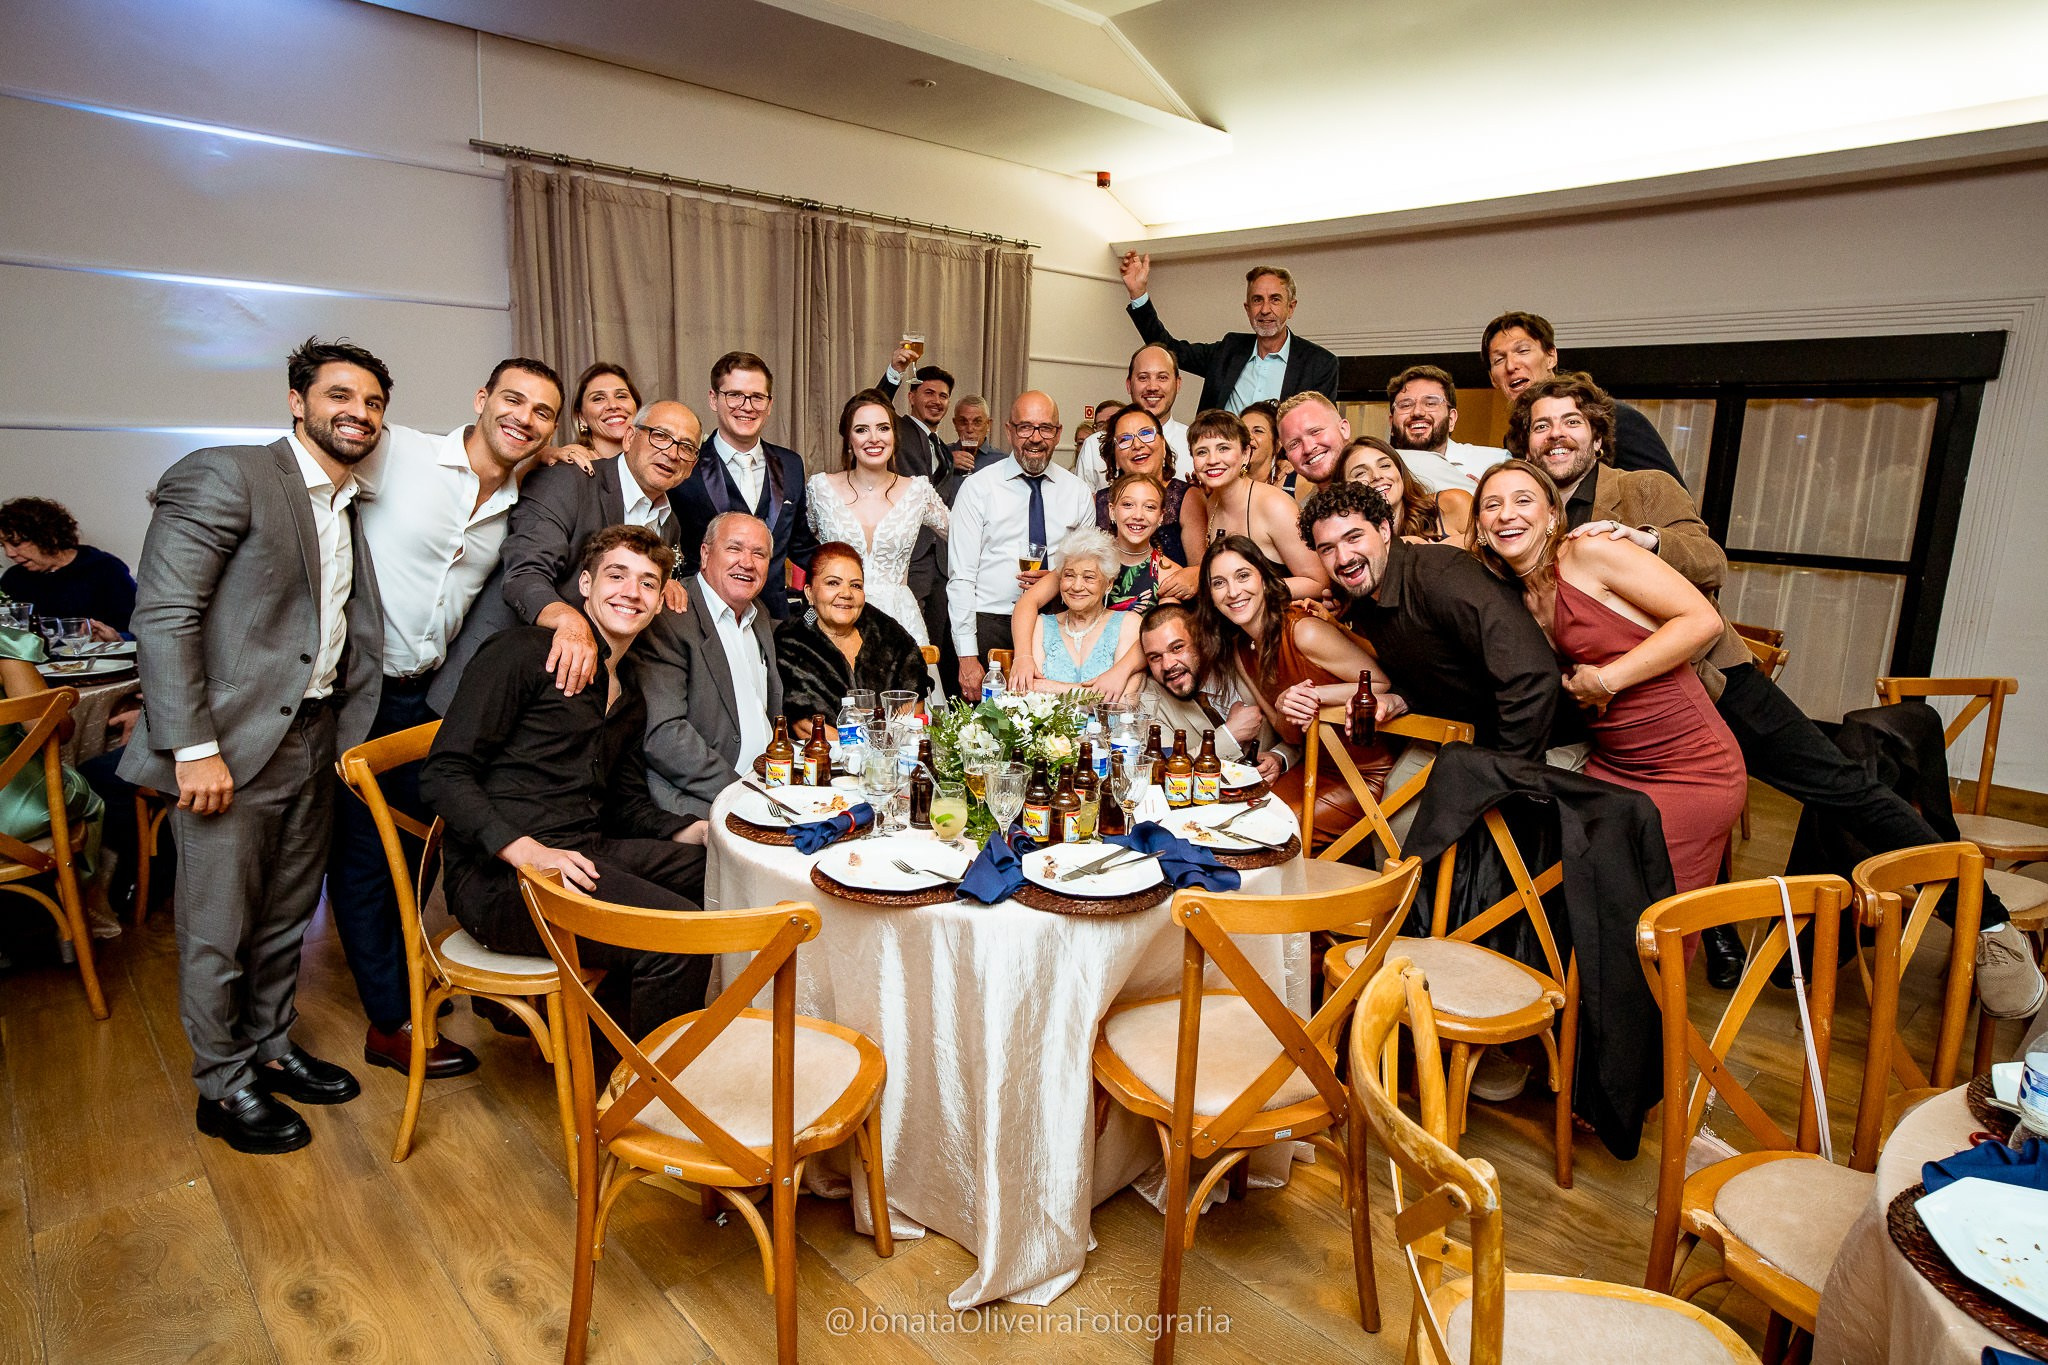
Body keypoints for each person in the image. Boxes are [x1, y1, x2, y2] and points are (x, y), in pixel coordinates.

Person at [1507, 371, 2043, 1009]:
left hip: (1714, 680)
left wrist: (1646, 540)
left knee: (1842, 787)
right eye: (1541, 425)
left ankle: (1988, 920)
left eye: (1571, 421)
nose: (1556, 435)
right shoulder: (1527, 516)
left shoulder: (1640, 490)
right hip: (1635, 723)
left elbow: (1709, 561)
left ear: (1597, 435)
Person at [121, 337, 390, 1155]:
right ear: (296, 400)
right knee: (216, 925)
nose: (360, 412)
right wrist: (192, 747)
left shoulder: (348, 503)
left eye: (375, 402)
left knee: (283, 912)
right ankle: (222, 1080)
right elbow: (164, 615)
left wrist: (342, 739)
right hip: (228, 747)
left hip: (312, 739)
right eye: (341, 394)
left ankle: (271, 1043)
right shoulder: (228, 475)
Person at [327, 356, 564, 1083]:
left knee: (427, 845)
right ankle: (393, 1023)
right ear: (482, 397)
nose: (523, 417)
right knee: (366, 856)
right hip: (357, 687)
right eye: (513, 400)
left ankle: (445, 979)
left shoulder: (523, 491)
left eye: (543, 412)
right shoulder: (397, 452)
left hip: (431, 693)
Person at [419, 525, 710, 1045]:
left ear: (658, 600)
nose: (631, 592)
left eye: (648, 582)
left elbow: (625, 805)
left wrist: (694, 832)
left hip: (584, 854)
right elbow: (443, 774)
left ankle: (608, 1041)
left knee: (717, 872)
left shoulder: (629, 692)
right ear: (584, 584)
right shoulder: (523, 652)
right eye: (616, 575)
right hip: (501, 879)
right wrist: (525, 850)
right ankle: (645, 1101)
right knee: (681, 936)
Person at [1472, 459, 1746, 895]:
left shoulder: (1590, 552)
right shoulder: (1517, 598)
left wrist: (1606, 681)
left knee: (1649, 923)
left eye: (1523, 500)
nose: (1507, 513)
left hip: (1690, 767)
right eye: (1492, 505)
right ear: (1482, 529)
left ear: (1551, 516)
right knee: (1588, 905)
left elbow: (1701, 621)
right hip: (1614, 765)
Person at [432, 399, 701, 711]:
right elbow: (524, 574)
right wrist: (570, 621)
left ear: (692, 464)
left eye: (686, 446)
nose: (671, 452)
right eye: (660, 435)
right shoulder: (569, 479)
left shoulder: (669, 523)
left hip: (567, 696)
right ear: (629, 437)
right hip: (493, 683)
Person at [1302, 480, 1566, 761]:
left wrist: (1507, 774)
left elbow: (1533, 677)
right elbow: (1431, 669)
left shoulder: (1441, 576)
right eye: (1327, 549)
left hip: (1539, 744)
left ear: (1383, 529)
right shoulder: (1363, 594)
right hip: (1455, 738)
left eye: (1354, 537)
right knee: (1393, 801)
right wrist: (1399, 699)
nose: (1343, 558)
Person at [1194, 536, 1393, 845]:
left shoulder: (1303, 630)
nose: (1233, 592)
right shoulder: (1239, 648)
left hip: (1359, 775)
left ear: (1263, 577)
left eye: (1243, 576)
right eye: (1219, 583)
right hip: (1308, 768)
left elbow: (1381, 683)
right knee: (1224, 824)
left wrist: (1315, 696)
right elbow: (1285, 730)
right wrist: (1286, 710)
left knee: (1264, 837)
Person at [946, 391, 1094, 699]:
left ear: (1058, 433)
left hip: (1056, 625)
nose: (1035, 438)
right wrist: (967, 656)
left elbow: (1087, 570)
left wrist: (1056, 579)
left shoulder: (1078, 494)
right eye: (1025, 427)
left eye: (1045, 428)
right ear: (1009, 430)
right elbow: (960, 577)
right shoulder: (978, 489)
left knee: (1054, 734)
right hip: (989, 623)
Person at [638, 513, 783, 820]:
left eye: (759, 554)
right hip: (700, 803)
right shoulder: (672, 617)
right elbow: (665, 735)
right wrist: (742, 794)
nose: (747, 562)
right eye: (734, 548)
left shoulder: (760, 616)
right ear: (704, 554)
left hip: (769, 788)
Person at [805, 390, 949, 664]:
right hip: (835, 616)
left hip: (900, 620)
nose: (874, 438)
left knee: (906, 703)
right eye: (862, 429)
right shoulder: (820, 488)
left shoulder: (917, 491)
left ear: (894, 436)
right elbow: (803, 543)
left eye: (883, 428)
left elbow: (963, 536)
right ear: (849, 439)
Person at [671, 351, 817, 619]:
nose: (747, 406)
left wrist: (848, 571)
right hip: (703, 617)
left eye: (757, 397)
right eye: (735, 395)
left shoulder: (791, 464)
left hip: (774, 618)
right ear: (714, 399)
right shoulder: (685, 464)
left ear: (769, 404)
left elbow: (800, 544)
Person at [1117, 255, 1340, 414]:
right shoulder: (1228, 349)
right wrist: (1138, 294)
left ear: (1290, 308)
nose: (1264, 309)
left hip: (1280, 476)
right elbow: (1168, 348)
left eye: (1275, 299)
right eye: (1257, 300)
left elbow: (1319, 427)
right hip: (1219, 469)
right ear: (1247, 308)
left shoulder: (1319, 364)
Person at [1481, 311, 1684, 482]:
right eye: (1498, 360)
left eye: (1523, 350)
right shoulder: (1514, 438)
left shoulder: (1612, 416)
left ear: (1551, 356)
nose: (1511, 365)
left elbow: (1668, 497)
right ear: (1493, 379)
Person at [0, 623, 107, 919]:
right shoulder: (4, 646)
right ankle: (72, 922)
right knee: (83, 792)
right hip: (14, 817)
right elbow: (54, 731)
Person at [774, 542, 929, 735]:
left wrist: (883, 750)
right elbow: (804, 724)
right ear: (809, 593)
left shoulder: (887, 631)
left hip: (890, 756)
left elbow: (914, 699)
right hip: (822, 759)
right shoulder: (793, 639)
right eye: (833, 583)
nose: (846, 593)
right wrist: (858, 752)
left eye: (856, 585)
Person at [1187, 409, 1327, 598]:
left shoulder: (1274, 505)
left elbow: (1319, 583)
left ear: (1245, 454)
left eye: (1223, 448)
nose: (1212, 460)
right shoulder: (1213, 501)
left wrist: (1251, 590)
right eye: (1202, 452)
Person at [1136, 602, 1278, 778]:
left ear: (1200, 640)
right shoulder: (1151, 701)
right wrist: (1230, 734)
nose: (1167, 665)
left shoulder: (1242, 660)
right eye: (1155, 657)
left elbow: (1297, 729)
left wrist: (1279, 757)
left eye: (1177, 648)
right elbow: (1162, 772)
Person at [1092, 402, 1207, 571]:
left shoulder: (1188, 497)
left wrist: (1191, 576)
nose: (1137, 445)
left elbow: (1202, 572)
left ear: (1163, 445)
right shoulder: (1098, 502)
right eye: (1124, 439)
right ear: (1114, 455)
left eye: (1146, 434)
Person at [0, 498, 137, 638]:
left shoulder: (105, 569)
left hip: (99, 658)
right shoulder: (13, 579)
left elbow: (141, 630)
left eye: (16, 544)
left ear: (49, 536)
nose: (9, 553)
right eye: (3, 545)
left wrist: (117, 638)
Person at [1026, 527, 1141, 693]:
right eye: (1069, 575)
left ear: (1109, 584)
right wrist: (1093, 694)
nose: (1077, 586)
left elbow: (1122, 703)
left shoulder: (1129, 624)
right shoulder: (1041, 626)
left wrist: (1049, 688)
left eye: (1089, 577)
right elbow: (1030, 695)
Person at [1076, 345, 1188, 494]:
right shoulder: (1093, 446)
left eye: (1162, 377)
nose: (1153, 387)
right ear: (1129, 385)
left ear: (1178, 384)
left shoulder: (1193, 443)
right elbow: (1082, 510)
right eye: (1143, 378)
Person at [1386, 364, 1506, 488]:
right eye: (1405, 405)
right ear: (1391, 422)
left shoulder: (1496, 462)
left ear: (1451, 419)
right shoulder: (1378, 474)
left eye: (1430, 403)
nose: (1417, 412)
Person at [1340, 436, 1472, 544]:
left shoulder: (1451, 503)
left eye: (1385, 465)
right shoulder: (1347, 541)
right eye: (1360, 473)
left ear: (1400, 472)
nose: (1376, 476)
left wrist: (1458, 545)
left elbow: (1490, 545)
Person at [1275, 391, 1358, 507]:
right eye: (1294, 444)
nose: (1308, 448)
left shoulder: (1382, 485)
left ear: (1343, 429)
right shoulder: (1304, 514)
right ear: (1287, 456)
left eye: (1315, 432)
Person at [567, 361, 641, 458]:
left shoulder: (656, 463)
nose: (613, 405)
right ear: (581, 417)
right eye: (598, 398)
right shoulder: (570, 466)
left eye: (621, 396)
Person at [949, 395, 1007, 476]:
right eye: (963, 422)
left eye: (977, 422)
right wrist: (945, 464)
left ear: (988, 425)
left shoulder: (1002, 461)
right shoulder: (941, 454)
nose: (969, 429)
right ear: (955, 424)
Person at [1240, 399, 1291, 490]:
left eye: (1258, 431)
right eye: (1242, 431)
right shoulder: (1221, 480)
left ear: (1277, 444)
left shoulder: (1293, 482)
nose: (1248, 436)